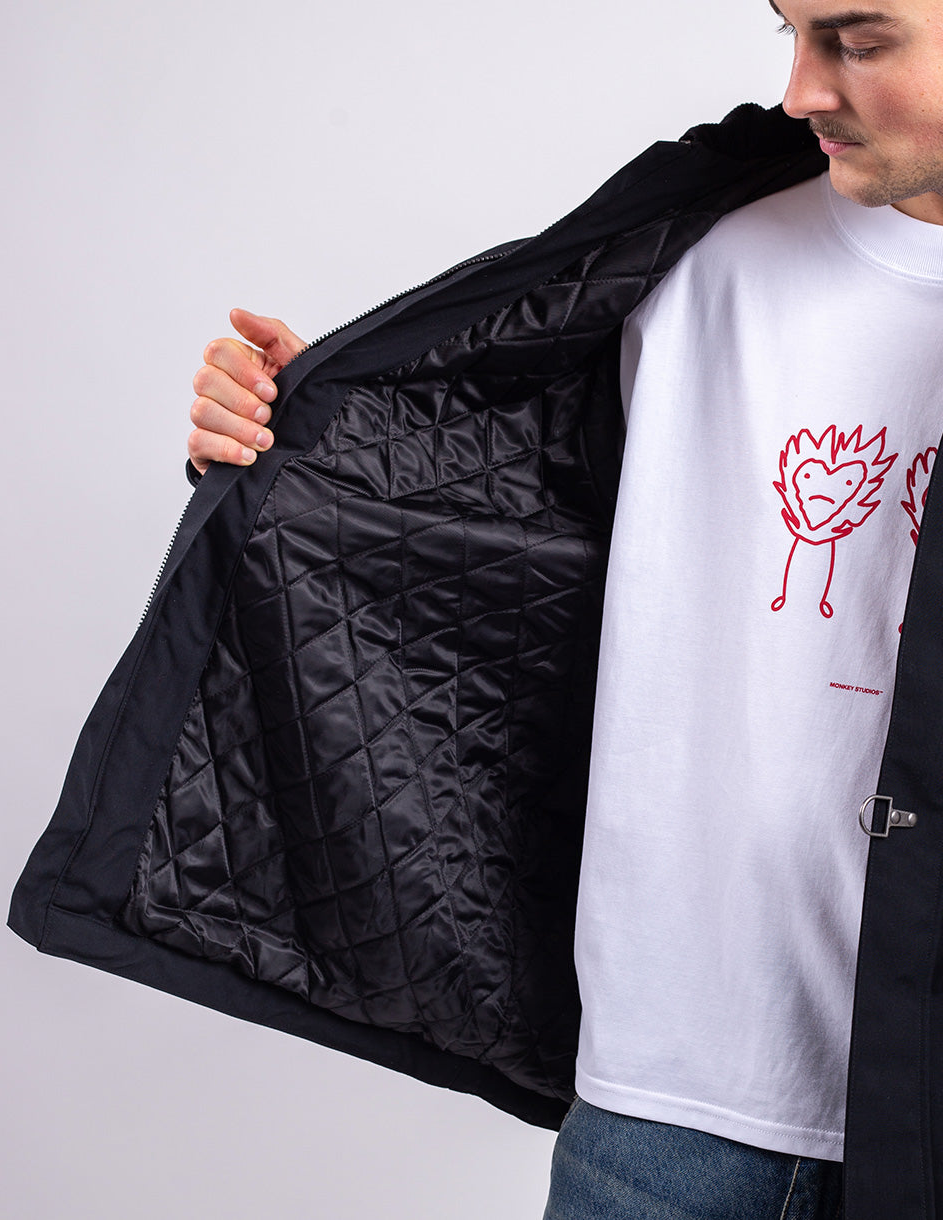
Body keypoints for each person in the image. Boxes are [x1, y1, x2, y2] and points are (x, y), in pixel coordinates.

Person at [182, 1, 943, 1217]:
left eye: (857, 42)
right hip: (673, 1100)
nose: (800, 89)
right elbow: (490, 514)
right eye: (790, 34)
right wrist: (299, 438)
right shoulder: (698, 253)